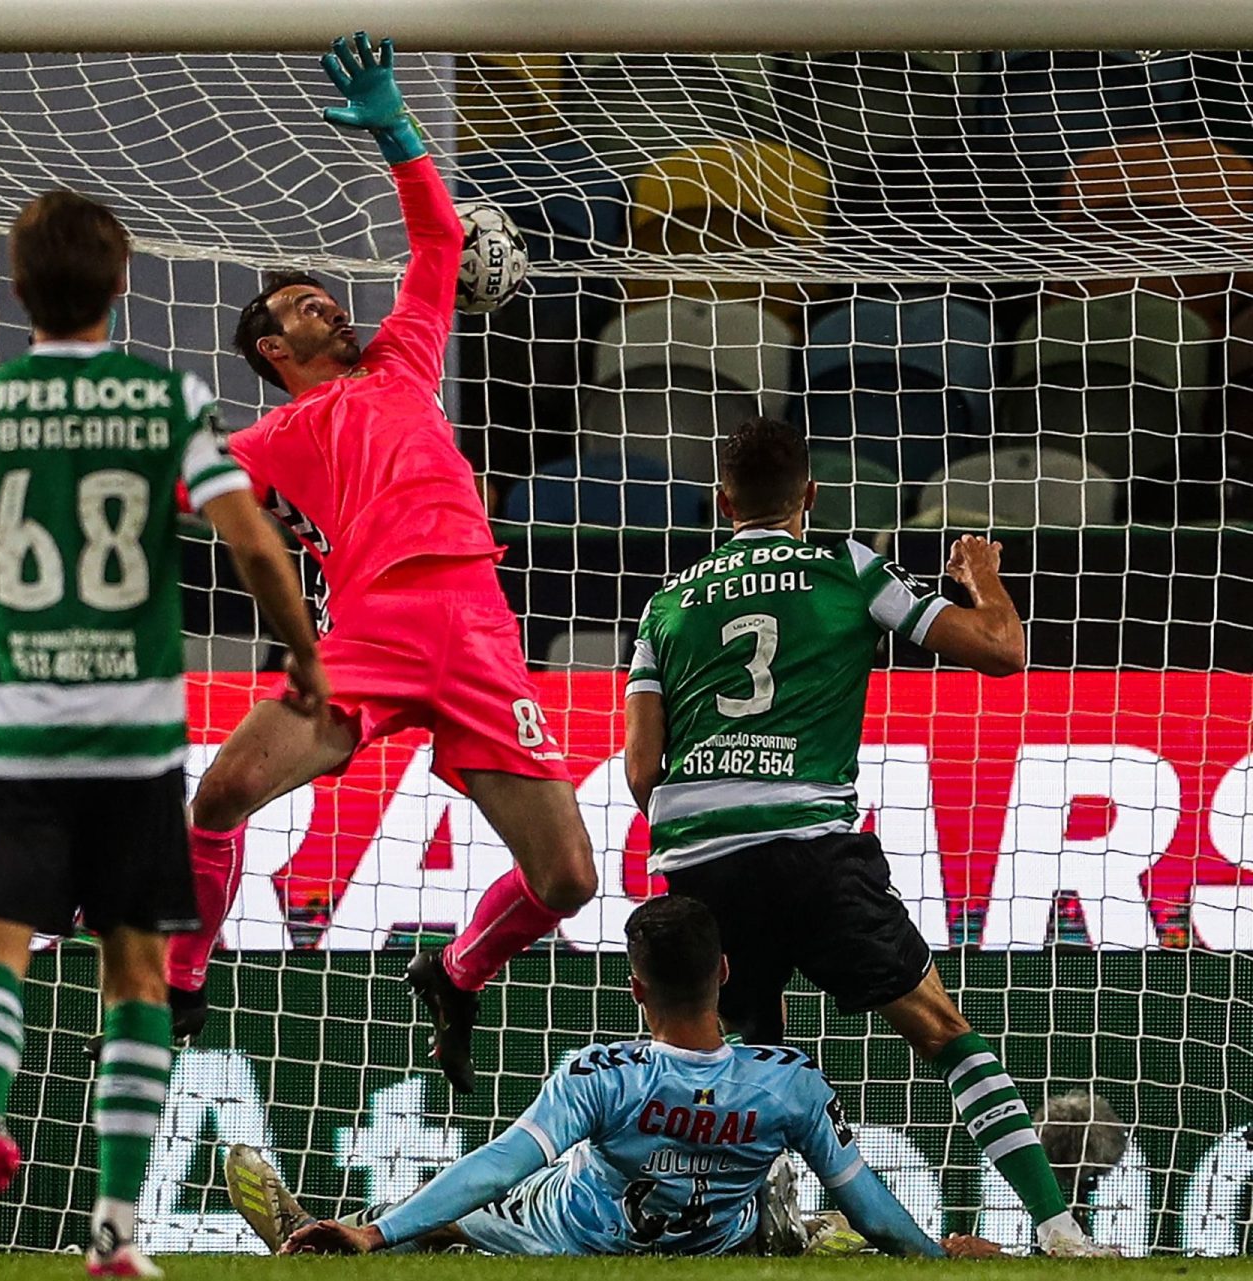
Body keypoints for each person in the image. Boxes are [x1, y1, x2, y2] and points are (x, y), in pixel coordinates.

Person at [0, 189, 328, 1279]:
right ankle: (118, 1235)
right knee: (134, 976)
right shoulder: (164, 403)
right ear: (121, 281)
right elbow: (256, 547)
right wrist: (304, 653)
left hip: (21, 734)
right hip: (133, 739)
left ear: (17, 286)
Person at [164, 32, 597, 1094]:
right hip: (372, 637)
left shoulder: (404, 358)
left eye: (324, 295)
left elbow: (439, 241)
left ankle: (456, 971)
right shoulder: (269, 438)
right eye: (303, 306)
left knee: (571, 880)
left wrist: (400, 131)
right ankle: (179, 988)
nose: (328, 305)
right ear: (271, 349)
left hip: (480, 633)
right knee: (217, 798)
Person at [622, 416, 1111, 1259]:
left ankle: (757, 1222)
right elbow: (1002, 650)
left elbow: (639, 768)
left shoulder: (668, 602)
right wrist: (982, 578)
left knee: (753, 1051)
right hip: (809, 844)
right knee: (940, 1027)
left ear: (721, 500)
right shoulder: (847, 564)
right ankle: (1059, 1229)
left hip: (700, 857)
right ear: (810, 495)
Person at [224, 896, 1001, 1259]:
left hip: (566, 1234)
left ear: (634, 986)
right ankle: (794, 1229)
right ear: (725, 972)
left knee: (460, 1215)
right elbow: (870, 1206)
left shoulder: (604, 1074)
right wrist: (932, 1258)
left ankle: (351, 1227)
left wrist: (373, 1233)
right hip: (715, 1241)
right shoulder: (790, 1081)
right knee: (791, 1213)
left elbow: (501, 1160)